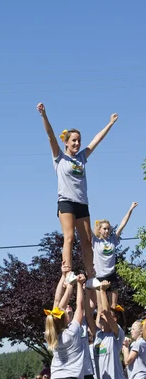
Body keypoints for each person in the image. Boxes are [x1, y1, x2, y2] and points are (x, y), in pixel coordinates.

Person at [37, 103, 119, 280]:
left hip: (82, 202)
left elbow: (96, 141)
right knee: (69, 237)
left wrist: (110, 123)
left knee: (87, 241)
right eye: (73, 140)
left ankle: (91, 276)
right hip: (66, 201)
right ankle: (67, 272)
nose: (77, 143)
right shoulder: (60, 157)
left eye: (79, 140)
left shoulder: (82, 157)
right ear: (66, 142)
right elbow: (51, 136)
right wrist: (44, 116)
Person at [92, 202, 138, 307]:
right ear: (99, 230)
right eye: (104, 229)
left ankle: (114, 323)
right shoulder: (95, 241)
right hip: (99, 276)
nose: (107, 231)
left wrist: (130, 209)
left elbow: (123, 224)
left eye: (108, 228)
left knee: (113, 306)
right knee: (102, 307)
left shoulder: (113, 239)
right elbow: (85, 227)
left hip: (111, 275)